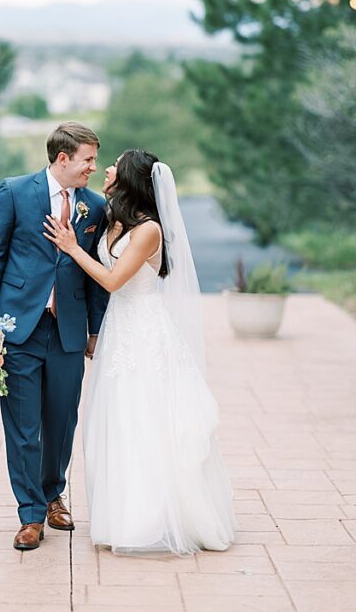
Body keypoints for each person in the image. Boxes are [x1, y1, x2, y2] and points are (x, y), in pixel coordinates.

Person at [44, 149, 235, 554]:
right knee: (119, 420)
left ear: (129, 177)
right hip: (119, 330)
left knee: (145, 419)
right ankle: (125, 516)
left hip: (145, 332)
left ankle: (153, 519)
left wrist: (73, 248)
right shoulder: (114, 218)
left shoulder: (149, 229)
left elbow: (113, 281)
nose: (106, 168)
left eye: (113, 164)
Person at [0, 122, 110, 550]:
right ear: (63, 158)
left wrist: (94, 329)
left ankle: (54, 494)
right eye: (87, 159)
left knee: (61, 421)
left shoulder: (95, 206)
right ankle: (30, 514)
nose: (93, 166)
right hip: (17, 329)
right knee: (23, 426)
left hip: (67, 330)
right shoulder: (14, 191)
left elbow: (96, 275)